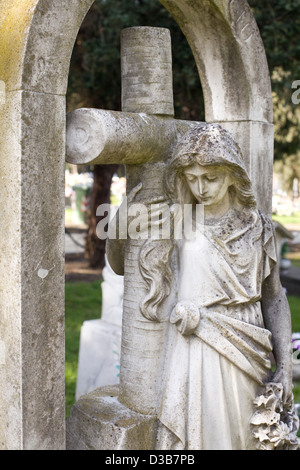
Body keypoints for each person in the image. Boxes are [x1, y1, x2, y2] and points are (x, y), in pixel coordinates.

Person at [154, 123, 297, 450]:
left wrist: (285, 366)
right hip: (197, 346)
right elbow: (122, 264)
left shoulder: (259, 227)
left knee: (245, 436)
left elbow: (274, 298)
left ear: (233, 175)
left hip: (248, 344)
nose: (200, 187)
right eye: (192, 178)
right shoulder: (179, 221)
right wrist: (122, 218)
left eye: (211, 177)